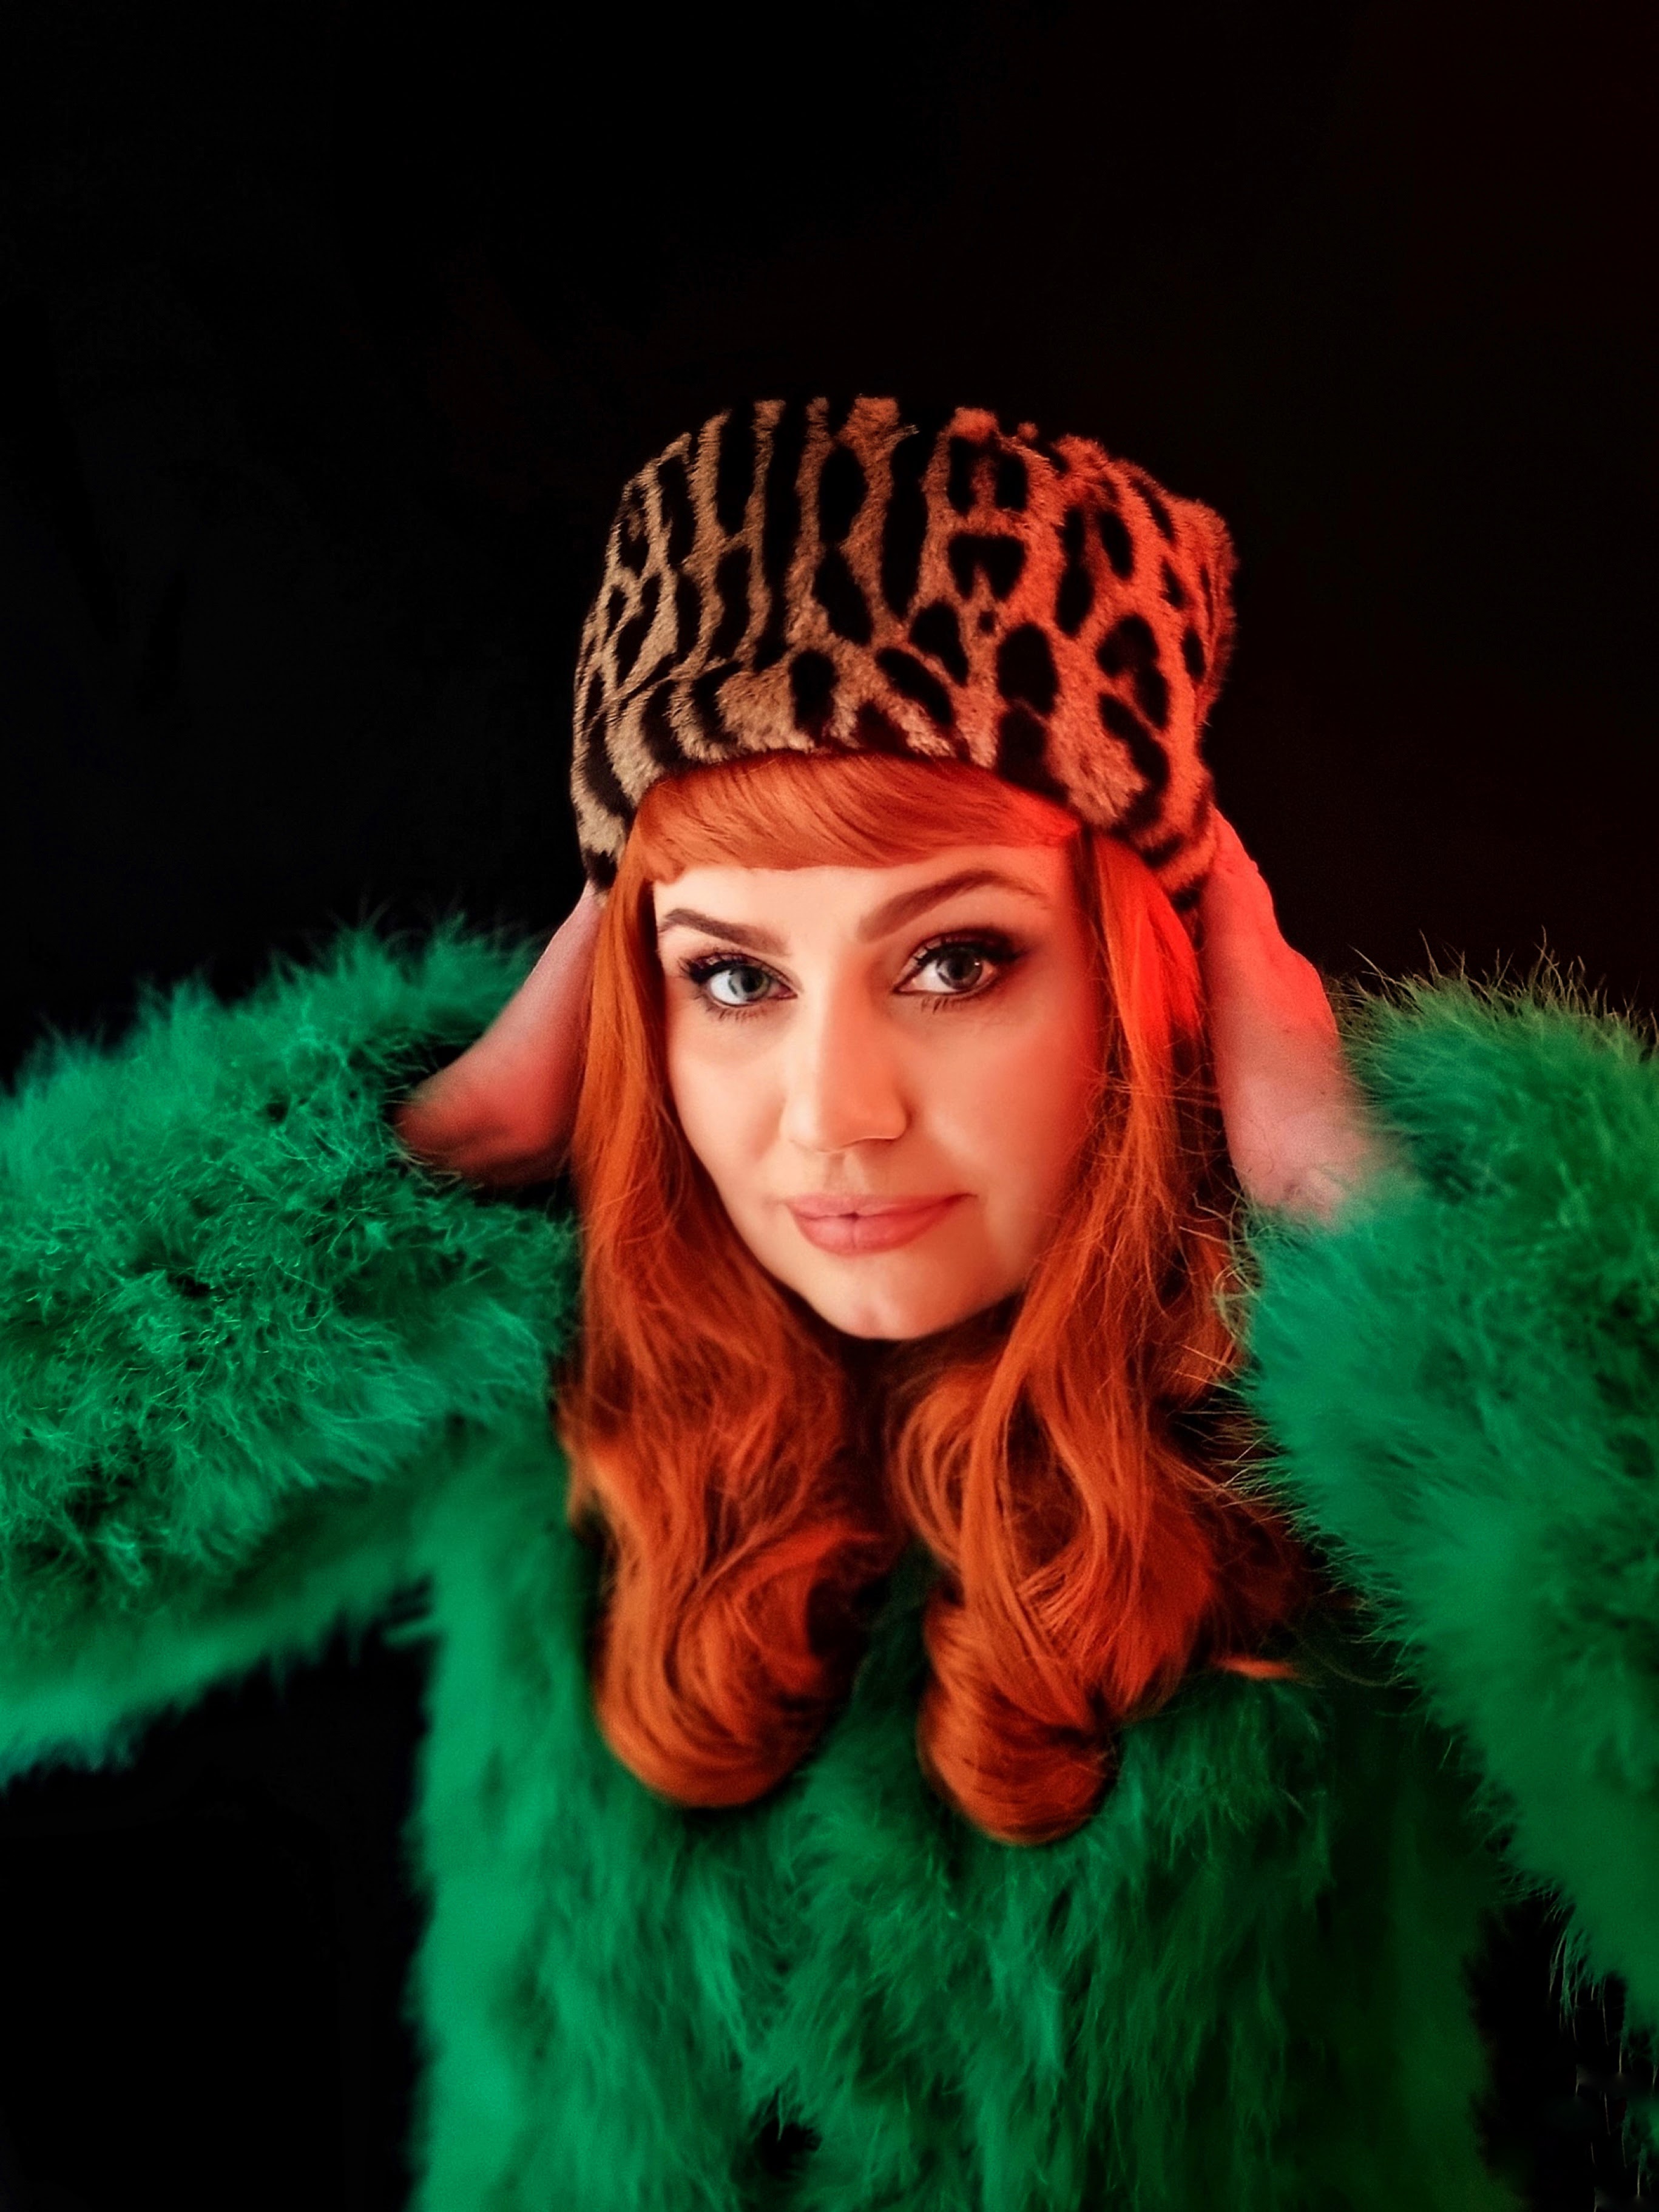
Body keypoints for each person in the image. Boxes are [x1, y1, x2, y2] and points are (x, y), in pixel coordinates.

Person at [0, 399, 1654, 2208]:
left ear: (1141, 972)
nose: (832, 1114)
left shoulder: (1350, 1439)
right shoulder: (528, 1359)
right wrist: (428, 1148)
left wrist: (1370, 1225)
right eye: (732, 977)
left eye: (954, 960)